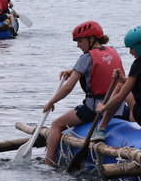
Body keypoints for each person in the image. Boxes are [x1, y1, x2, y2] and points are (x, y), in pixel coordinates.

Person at [42, 21, 125, 166]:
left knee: (56, 124)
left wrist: (51, 102)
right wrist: (74, 71)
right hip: (118, 108)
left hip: (94, 109)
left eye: (80, 41)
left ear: (91, 39)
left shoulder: (86, 58)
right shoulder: (112, 51)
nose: (78, 45)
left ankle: (48, 164)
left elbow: (68, 87)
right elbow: (103, 71)